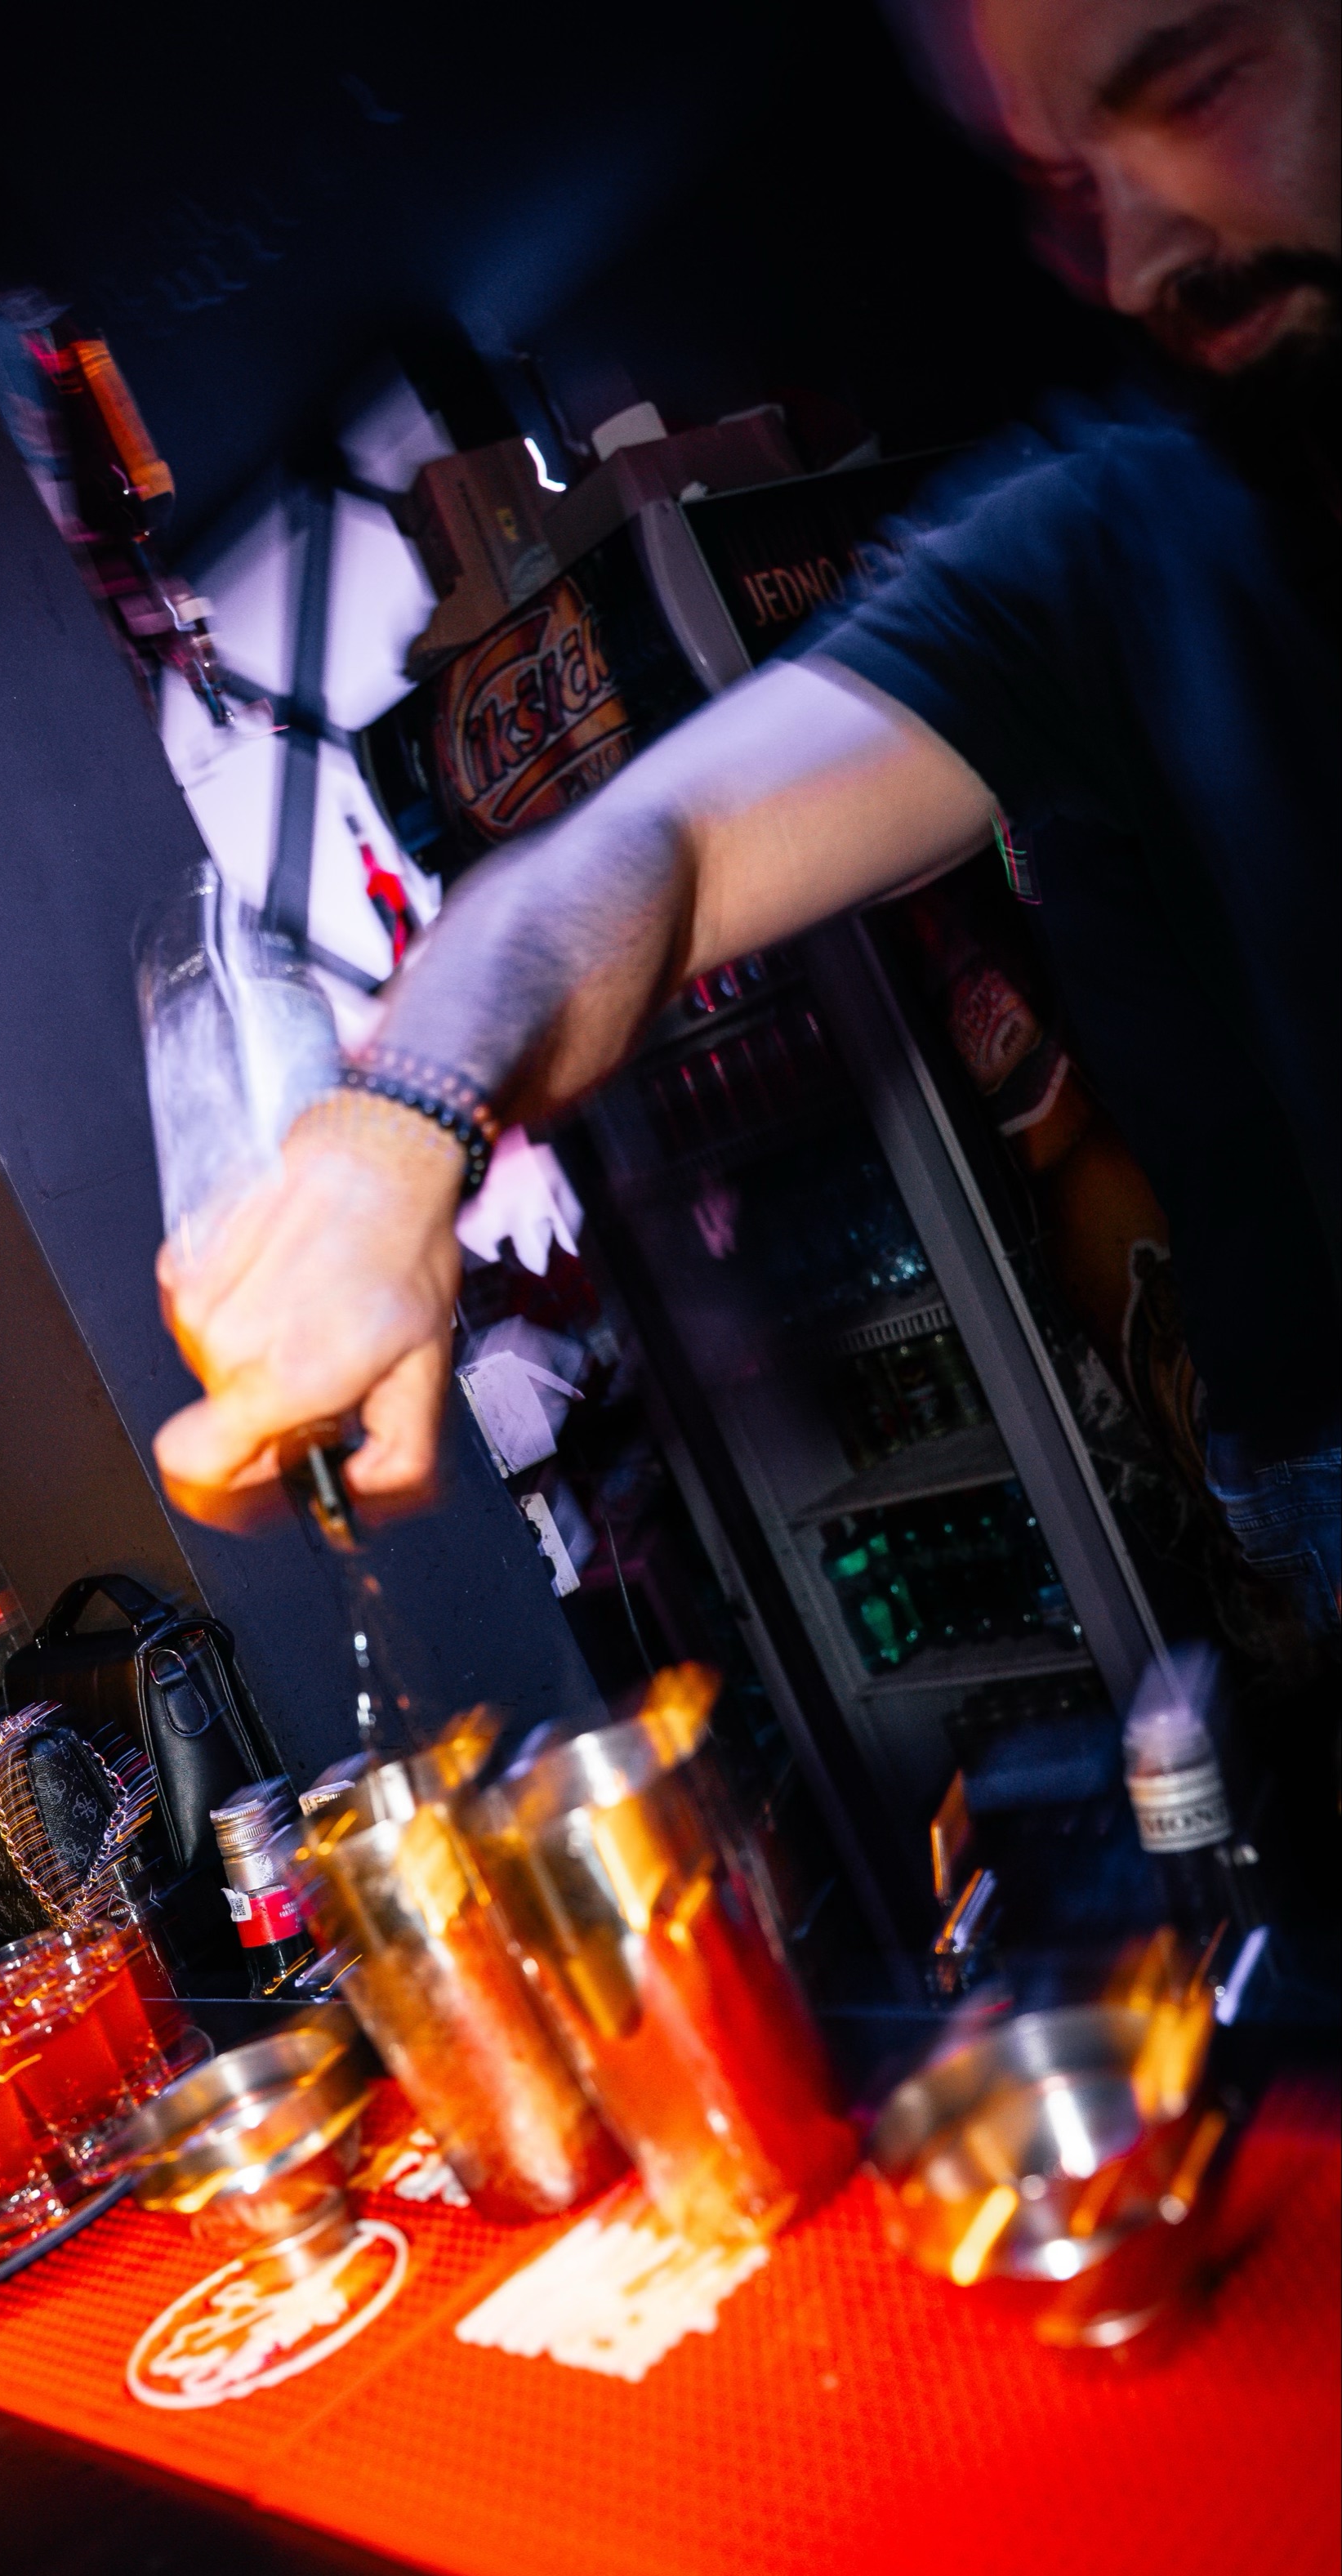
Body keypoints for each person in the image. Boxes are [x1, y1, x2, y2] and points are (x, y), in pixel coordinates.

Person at [153, 0, 1339, 1642]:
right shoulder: (1111, 544)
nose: (1133, 261)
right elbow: (650, 850)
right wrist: (394, 1133)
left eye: (1195, 92)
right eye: (1069, 188)